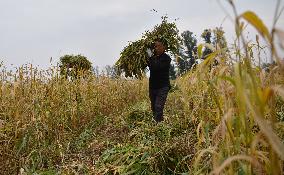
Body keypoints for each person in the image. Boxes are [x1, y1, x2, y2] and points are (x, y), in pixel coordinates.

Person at [147, 39, 171, 122]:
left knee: (158, 107)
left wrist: (149, 54)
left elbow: (156, 67)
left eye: (159, 46)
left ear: (164, 47)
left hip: (163, 87)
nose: (156, 48)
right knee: (154, 107)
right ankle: (158, 123)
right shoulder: (152, 58)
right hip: (152, 87)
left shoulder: (166, 58)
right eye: (155, 46)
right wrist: (147, 51)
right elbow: (149, 65)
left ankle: (159, 125)